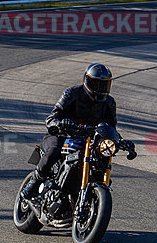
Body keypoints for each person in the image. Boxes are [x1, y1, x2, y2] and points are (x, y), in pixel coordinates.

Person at [21, 63, 117, 199]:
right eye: (96, 84)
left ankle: (95, 193)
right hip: (62, 134)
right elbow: (52, 116)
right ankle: (35, 182)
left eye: (104, 85)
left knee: (101, 158)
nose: (100, 89)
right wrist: (57, 124)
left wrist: (118, 140)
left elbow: (111, 127)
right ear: (87, 81)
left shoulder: (109, 103)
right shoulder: (72, 93)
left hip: (88, 139)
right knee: (54, 149)